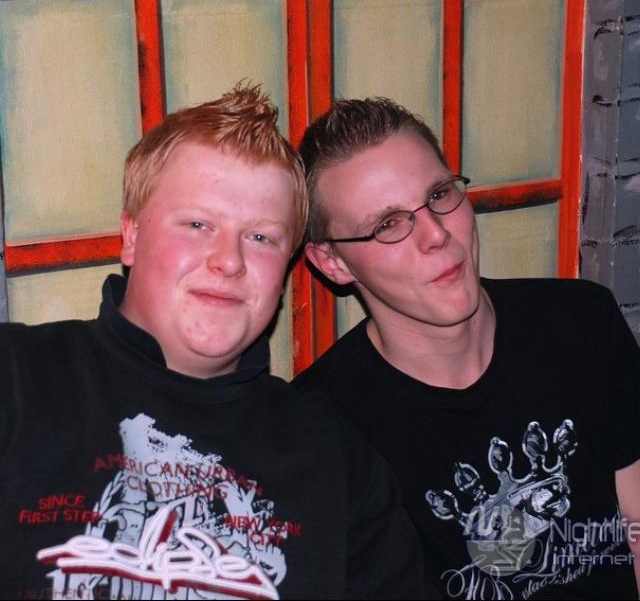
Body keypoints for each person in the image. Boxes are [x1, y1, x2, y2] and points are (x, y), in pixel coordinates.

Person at [0, 86, 428, 600]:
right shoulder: (16, 380)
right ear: (131, 236)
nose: (229, 261)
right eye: (198, 224)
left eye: (261, 237)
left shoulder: (336, 458)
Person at [293, 96, 640, 600]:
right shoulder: (321, 429)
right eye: (388, 224)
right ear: (333, 263)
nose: (436, 234)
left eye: (438, 194)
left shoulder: (582, 320)